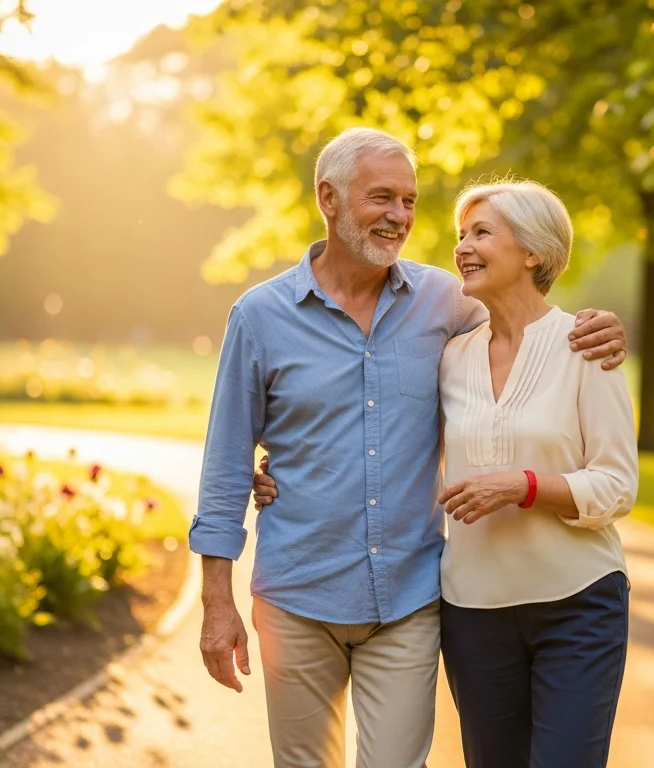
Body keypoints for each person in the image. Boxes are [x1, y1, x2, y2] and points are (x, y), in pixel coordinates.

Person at [190, 128, 627, 768]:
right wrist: (215, 603)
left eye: (410, 201)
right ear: (329, 198)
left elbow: (524, 319)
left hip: (409, 598)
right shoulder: (260, 316)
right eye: (382, 198)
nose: (400, 216)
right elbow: (225, 465)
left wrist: (600, 325)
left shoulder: (446, 301)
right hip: (296, 593)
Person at [435, 180, 637, 767]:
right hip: (473, 611)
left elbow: (617, 484)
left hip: (577, 605)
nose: (463, 248)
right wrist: (279, 468)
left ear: (533, 252)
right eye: (461, 235)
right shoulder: (450, 356)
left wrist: (522, 486)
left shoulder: (584, 346)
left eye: (482, 233)